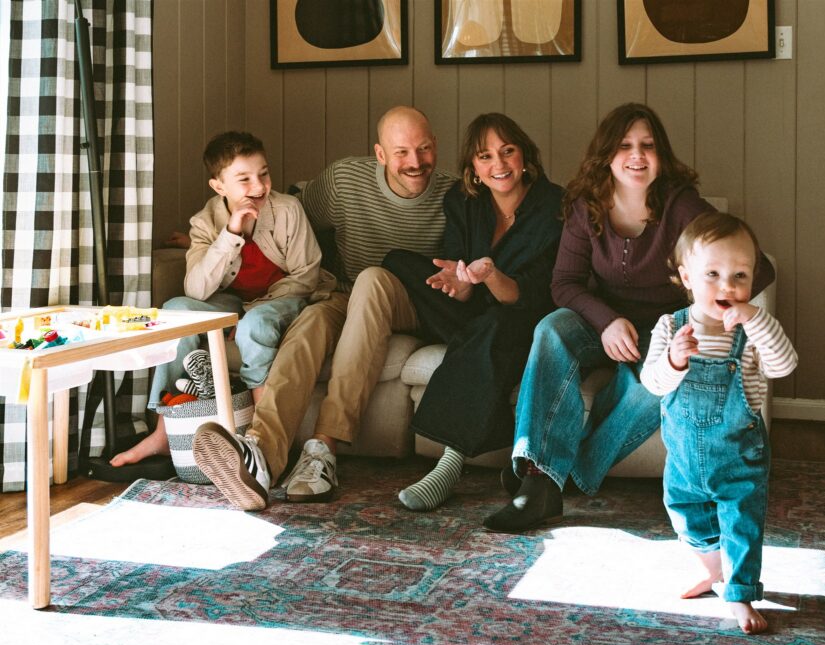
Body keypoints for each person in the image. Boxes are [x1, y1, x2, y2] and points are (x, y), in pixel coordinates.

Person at [482, 102, 776, 532]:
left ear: (662, 154)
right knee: (550, 329)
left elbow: (758, 268)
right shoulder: (586, 206)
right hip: (600, 324)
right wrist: (605, 321)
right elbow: (563, 284)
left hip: (665, 330)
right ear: (607, 154)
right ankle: (539, 484)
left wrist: (719, 310)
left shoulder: (682, 208)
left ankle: (563, 475)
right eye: (625, 145)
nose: (637, 156)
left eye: (648, 145)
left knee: (651, 386)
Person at [191, 106, 457, 510]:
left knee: (372, 277)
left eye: (423, 149)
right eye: (401, 152)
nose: (415, 162)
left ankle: (323, 449)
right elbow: (289, 211)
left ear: (436, 146)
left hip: (415, 300)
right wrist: (219, 239)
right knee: (310, 321)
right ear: (380, 154)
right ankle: (262, 456)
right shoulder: (346, 179)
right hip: (347, 293)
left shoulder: (454, 195)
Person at [110, 131, 335, 467]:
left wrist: (252, 312)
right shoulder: (205, 222)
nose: (258, 187)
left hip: (284, 297)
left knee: (255, 324)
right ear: (219, 187)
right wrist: (230, 233)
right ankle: (163, 435)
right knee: (176, 312)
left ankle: (263, 438)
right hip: (231, 302)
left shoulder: (287, 209)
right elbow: (197, 291)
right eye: (243, 179)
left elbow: (306, 275)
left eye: (263, 174)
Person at [382, 113, 564, 511]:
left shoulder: (556, 207)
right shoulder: (463, 202)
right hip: (476, 312)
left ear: (525, 157)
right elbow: (456, 272)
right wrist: (461, 286)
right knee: (396, 260)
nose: (498, 164)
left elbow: (531, 293)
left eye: (507, 151)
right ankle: (475, 344)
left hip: (522, 316)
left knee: (496, 324)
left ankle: (449, 464)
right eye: (485, 156)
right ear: (474, 169)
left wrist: (490, 275)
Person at [639, 212, 797, 634]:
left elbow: (784, 367)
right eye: (713, 274)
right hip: (684, 459)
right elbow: (652, 383)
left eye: (739, 275)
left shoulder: (752, 332)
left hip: (739, 455)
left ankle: (741, 593)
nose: (727, 287)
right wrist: (674, 359)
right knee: (687, 519)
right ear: (686, 276)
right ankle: (715, 572)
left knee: (741, 525)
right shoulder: (669, 327)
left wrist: (757, 320)